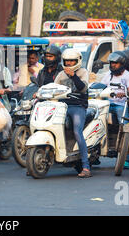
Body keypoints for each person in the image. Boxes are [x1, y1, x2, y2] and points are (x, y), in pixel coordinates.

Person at [54, 48, 91, 178]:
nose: (69, 63)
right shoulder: (60, 74)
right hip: (61, 106)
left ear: (77, 61)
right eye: (67, 61)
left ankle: (86, 167)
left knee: (77, 131)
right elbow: (53, 88)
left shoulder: (83, 72)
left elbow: (83, 88)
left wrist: (73, 76)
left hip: (77, 106)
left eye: (71, 61)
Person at [100, 51, 129, 169]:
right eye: (112, 63)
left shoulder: (128, 76)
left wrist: (123, 93)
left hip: (121, 105)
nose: (113, 65)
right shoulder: (108, 74)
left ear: (122, 64)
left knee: (124, 126)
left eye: (116, 63)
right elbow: (101, 86)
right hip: (107, 104)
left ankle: (126, 158)